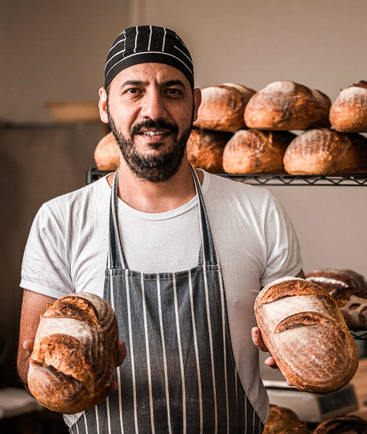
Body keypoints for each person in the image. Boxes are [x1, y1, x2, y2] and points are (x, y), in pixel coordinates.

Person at [16, 25, 302, 433]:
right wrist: (66, 377)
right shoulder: (61, 220)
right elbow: (29, 363)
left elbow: (301, 329)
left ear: (195, 104)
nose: (153, 111)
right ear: (104, 105)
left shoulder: (258, 211)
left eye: (172, 91)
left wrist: (291, 353)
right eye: (133, 91)